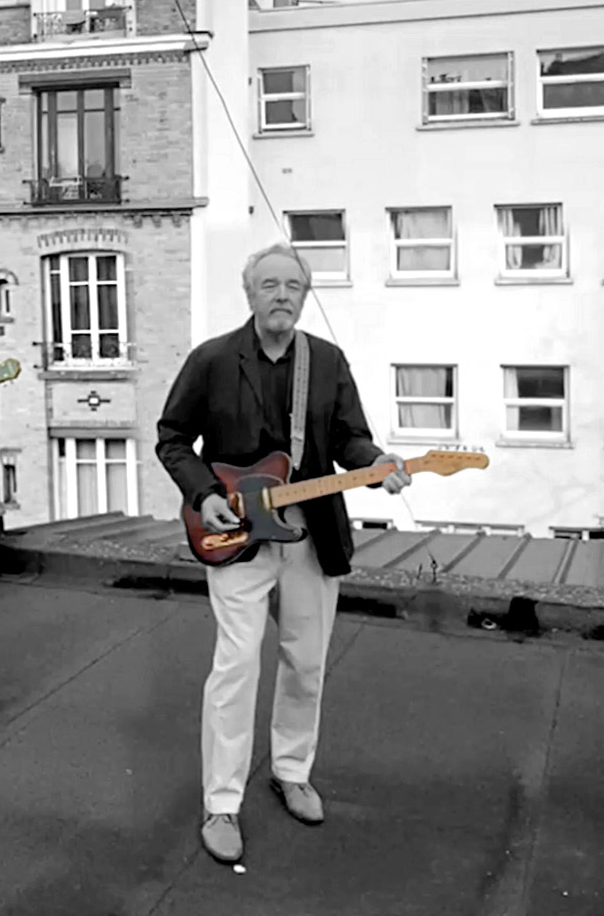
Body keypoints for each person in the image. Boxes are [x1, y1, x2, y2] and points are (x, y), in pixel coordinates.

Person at [156, 243, 412, 866]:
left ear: (304, 294)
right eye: (269, 284)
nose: (281, 295)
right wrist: (206, 494)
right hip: (238, 538)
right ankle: (222, 802)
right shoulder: (213, 359)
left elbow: (349, 436)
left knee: (306, 662)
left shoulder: (326, 361)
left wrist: (375, 464)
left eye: (292, 285)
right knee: (237, 667)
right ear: (249, 293)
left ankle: (292, 770)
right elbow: (171, 437)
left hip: (311, 531)